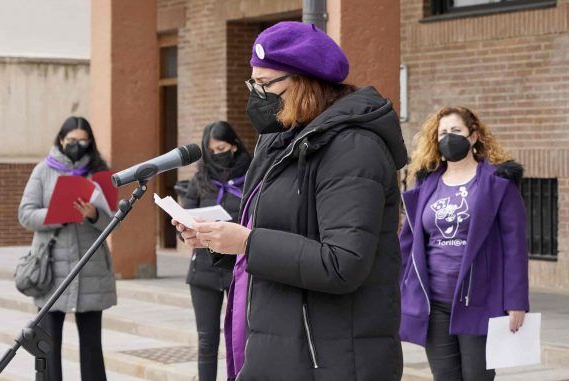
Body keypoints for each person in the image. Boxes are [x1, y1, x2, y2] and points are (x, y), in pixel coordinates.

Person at [174, 21, 408, 381]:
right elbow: (271, 231)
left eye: (266, 84)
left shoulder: (353, 148)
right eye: (254, 83)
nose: (257, 94)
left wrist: (248, 242)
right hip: (280, 347)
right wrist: (217, 239)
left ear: (305, 82)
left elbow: (342, 263)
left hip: (330, 359)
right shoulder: (278, 141)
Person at [399, 106, 529, 381]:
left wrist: (516, 301)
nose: (448, 137)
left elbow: (514, 246)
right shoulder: (426, 184)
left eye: (455, 131)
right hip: (434, 302)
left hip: (479, 298)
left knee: (477, 377)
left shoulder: (498, 184)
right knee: (444, 376)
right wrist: (397, 290)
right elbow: (408, 245)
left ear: (473, 136)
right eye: (443, 132)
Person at [18, 116, 116, 381]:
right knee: (48, 346)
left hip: (90, 268)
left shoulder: (100, 172)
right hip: (52, 269)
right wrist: (55, 215)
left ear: (91, 142)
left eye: (82, 140)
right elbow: (25, 214)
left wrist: (94, 214)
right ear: (61, 140)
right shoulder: (43, 170)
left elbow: (113, 221)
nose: (76, 145)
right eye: (71, 140)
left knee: (92, 346)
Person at [182, 121, 251, 381]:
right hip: (204, 269)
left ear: (233, 145)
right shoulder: (200, 178)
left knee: (242, 339)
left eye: (221, 148)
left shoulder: (253, 172)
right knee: (207, 341)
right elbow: (187, 214)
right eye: (211, 150)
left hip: (240, 266)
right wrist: (186, 229)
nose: (216, 154)